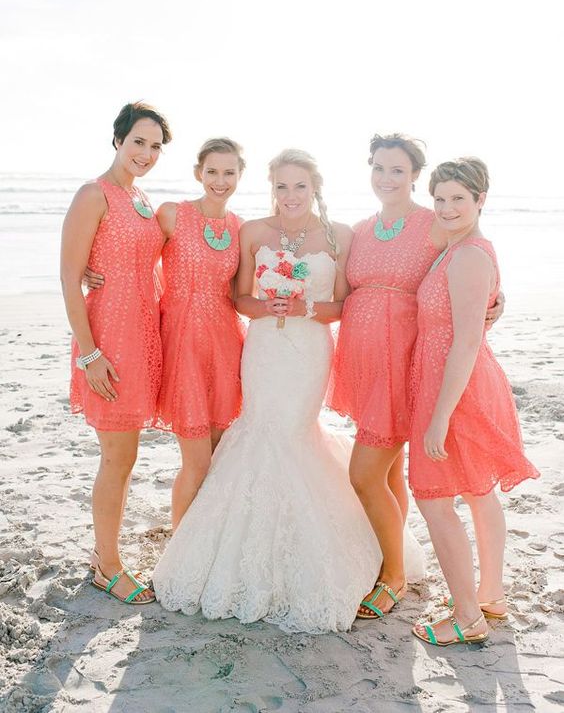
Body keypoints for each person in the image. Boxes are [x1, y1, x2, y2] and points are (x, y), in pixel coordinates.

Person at [152, 149, 425, 633]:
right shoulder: (252, 231)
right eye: (282, 186)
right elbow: (238, 297)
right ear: (271, 187)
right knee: (259, 431)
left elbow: (343, 302)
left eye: (300, 186)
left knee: (295, 435)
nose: (290, 195)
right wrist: (264, 304)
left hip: (307, 351)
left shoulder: (341, 235)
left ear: (315, 188)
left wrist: (305, 307)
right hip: (263, 350)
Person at [327, 134, 503, 620]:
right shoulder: (360, 229)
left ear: (414, 177)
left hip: (406, 367)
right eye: (379, 168)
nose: (387, 179)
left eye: (398, 171)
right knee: (385, 472)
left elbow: (476, 263)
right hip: (363, 366)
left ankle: (395, 577)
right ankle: (395, 562)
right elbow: (342, 296)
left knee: (364, 473)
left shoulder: (435, 224)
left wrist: (496, 303)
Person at [409, 157, 539, 646]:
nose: (445, 208)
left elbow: (464, 340)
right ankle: (489, 595)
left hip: (454, 384)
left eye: (457, 199)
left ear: (480, 200)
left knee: (433, 496)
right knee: (477, 490)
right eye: (439, 198)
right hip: (456, 378)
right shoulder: (458, 247)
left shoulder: (468, 255)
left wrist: (440, 415)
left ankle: (467, 616)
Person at [60, 100, 171, 604]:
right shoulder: (94, 194)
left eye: (154, 146)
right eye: (138, 142)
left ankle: (106, 556)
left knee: (126, 457)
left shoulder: (142, 199)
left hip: (143, 334)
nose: (145, 153)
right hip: (107, 337)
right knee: (117, 456)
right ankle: (107, 566)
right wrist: (89, 354)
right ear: (118, 140)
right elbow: (68, 275)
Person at [155, 138, 246, 530]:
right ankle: (180, 545)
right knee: (196, 460)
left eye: (229, 172)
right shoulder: (172, 214)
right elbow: (137, 261)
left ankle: (204, 540)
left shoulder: (240, 227)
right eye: (212, 171)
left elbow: (242, 295)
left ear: (240, 175)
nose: (220, 180)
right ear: (199, 173)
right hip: (183, 341)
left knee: (218, 451)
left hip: (225, 342)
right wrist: (94, 272)